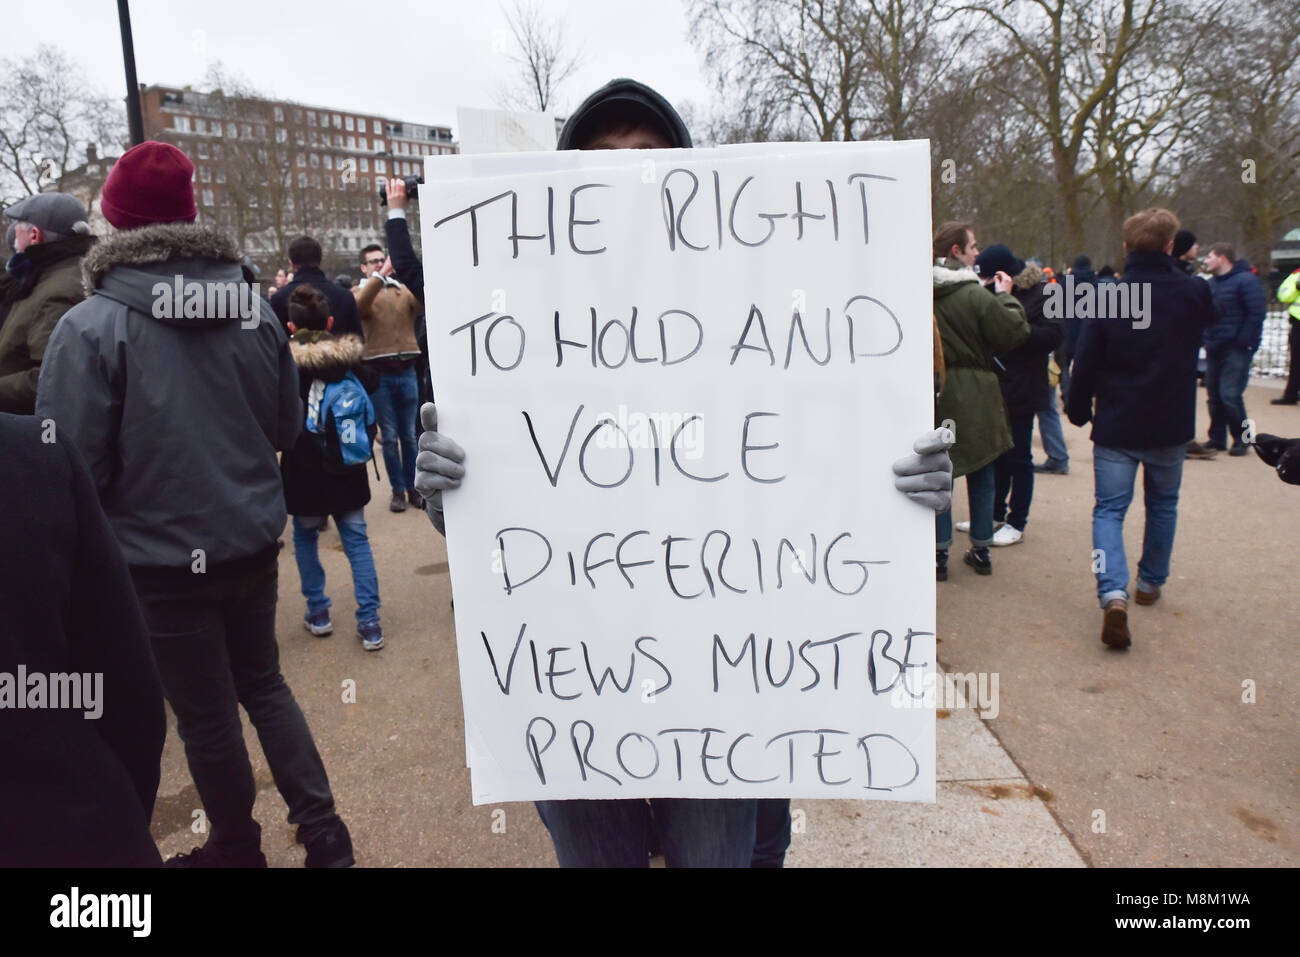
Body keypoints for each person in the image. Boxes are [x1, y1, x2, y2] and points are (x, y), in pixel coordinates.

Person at [412, 78, 955, 868]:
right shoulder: (511, 317)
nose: (625, 180)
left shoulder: (760, 307)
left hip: (725, 677)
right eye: (600, 162)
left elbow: (815, 455)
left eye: (648, 160)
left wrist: (906, 491)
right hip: (575, 675)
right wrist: (448, 494)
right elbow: (511, 503)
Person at [35, 140, 354, 868]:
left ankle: (238, 844)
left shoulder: (90, 328)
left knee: (206, 716)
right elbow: (283, 427)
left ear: (116, 223)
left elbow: (71, 466)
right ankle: (325, 829)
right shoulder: (255, 311)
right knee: (265, 684)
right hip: (247, 539)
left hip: (157, 562)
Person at [1, 413, 166, 866]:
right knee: (252, 687)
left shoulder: (39, 450)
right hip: (74, 833)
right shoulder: (34, 453)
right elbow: (128, 692)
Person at [1066, 208, 1217, 650]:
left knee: (1109, 510)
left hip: (1118, 420)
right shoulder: (1192, 292)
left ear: (1126, 248)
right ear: (1171, 246)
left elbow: (1085, 360)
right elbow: (1213, 316)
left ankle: (1112, 591)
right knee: (1163, 503)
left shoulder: (1110, 297)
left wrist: (1077, 408)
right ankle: (1150, 582)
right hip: (1169, 421)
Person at [281, 285, 384, 650]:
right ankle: (370, 622)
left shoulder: (284, 362)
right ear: (329, 322)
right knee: (356, 539)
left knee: (306, 537)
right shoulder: (347, 359)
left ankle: (319, 612)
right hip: (347, 464)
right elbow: (372, 383)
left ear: (291, 328)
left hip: (304, 468)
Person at [933, 222, 1031, 578]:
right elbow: (1013, 332)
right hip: (976, 389)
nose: (978, 252)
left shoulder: (918, 291)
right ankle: (981, 550)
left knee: (940, 471)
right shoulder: (974, 294)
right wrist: (1005, 294)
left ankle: (938, 554)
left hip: (933, 390)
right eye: (973, 246)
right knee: (982, 468)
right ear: (957, 252)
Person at [973, 247, 1062, 546]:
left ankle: (1016, 520)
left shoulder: (1047, 293)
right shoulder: (990, 291)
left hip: (1024, 385)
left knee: (1019, 457)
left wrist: (1016, 329)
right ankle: (994, 513)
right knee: (995, 455)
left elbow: (1054, 335)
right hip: (994, 384)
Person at [0, 193, 95, 413]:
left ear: (34, 235)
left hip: (28, 433)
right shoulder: (53, 275)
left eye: (17, 232)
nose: (14, 241)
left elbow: (51, 380)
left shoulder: (58, 291)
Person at [354, 243, 423, 512]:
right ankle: (397, 491)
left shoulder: (400, 290)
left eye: (382, 260)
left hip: (406, 369)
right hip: (380, 374)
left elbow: (421, 304)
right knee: (391, 438)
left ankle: (413, 489)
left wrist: (405, 271)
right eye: (373, 262)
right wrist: (379, 276)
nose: (379, 264)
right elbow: (360, 307)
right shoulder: (359, 291)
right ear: (364, 267)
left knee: (409, 435)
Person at [1202, 243, 1265, 456]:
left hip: (1236, 347)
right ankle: (1217, 438)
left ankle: (1242, 438)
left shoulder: (1246, 281)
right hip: (1214, 345)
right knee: (1214, 395)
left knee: (1230, 394)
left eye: (1210, 256)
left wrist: (1244, 341)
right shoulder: (1211, 284)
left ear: (1222, 258)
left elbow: (1256, 313)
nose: (1206, 261)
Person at [270, 235, 363, 339]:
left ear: (291, 264)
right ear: (320, 260)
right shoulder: (345, 296)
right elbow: (357, 339)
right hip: (338, 353)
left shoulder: (278, 299)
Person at [1274, 268, 1300, 405]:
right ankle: (1291, 394)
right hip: (1298, 322)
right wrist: (1297, 287)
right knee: (1296, 361)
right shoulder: (1297, 274)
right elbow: (1283, 295)